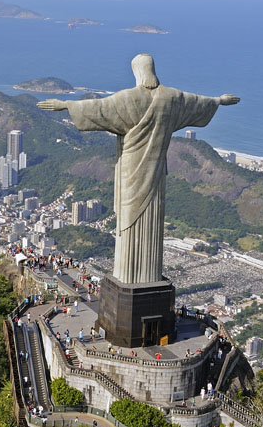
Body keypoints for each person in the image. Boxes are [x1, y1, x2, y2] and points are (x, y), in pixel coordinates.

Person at [38, 55, 239, 284]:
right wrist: (219, 100)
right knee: (151, 219)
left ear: (137, 72)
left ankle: (127, 275)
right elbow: (196, 102)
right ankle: (148, 275)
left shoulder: (128, 98)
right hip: (155, 175)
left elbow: (100, 108)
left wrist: (66, 105)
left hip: (130, 171)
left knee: (128, 221)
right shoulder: (171, 98)